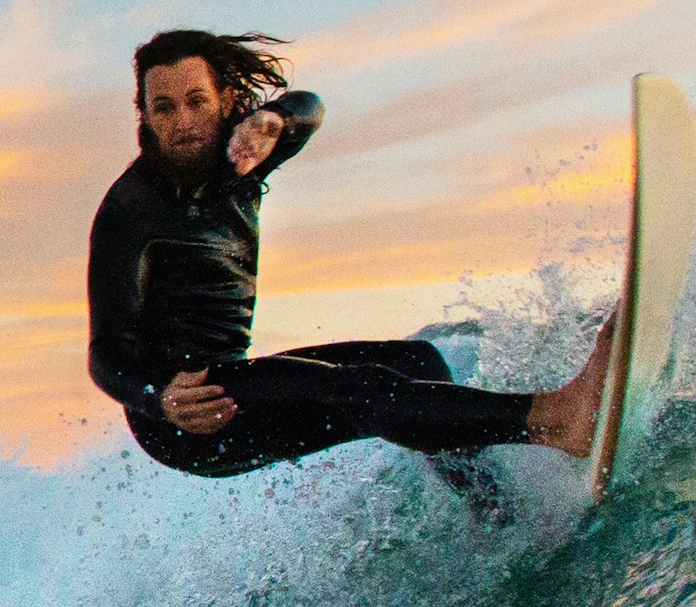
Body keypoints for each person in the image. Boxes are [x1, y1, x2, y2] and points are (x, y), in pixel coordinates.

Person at [87, 28, 609, 480]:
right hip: (185, 419)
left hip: (236, 380)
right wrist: (161, 397)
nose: (183, 122)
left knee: (419, 361)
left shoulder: (240, 155)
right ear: (145, 116)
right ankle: (555, 419)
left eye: (196, 100)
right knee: (362, 392)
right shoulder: (130, 211)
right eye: (164, 107)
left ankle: (493, 511)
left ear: (225, 99)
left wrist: (275, 121)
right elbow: (105, 353)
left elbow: (309, 108)